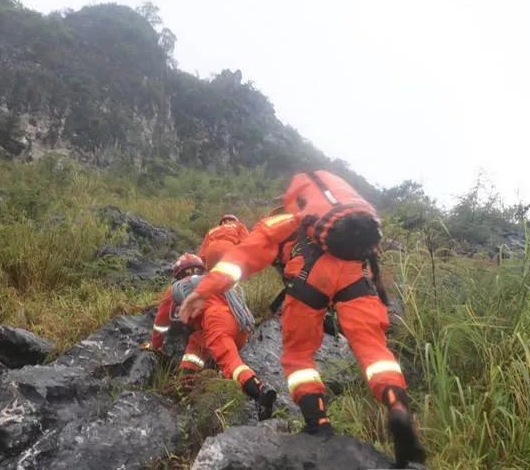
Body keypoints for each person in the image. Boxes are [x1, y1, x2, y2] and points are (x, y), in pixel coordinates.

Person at [180, 171, 426, 467]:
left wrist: (205, 289)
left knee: (299, 357)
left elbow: (242, 259)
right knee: (374, 351)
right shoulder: (342, 222)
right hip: (356, 276)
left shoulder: (286, 221)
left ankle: (317, 423)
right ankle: (396, 405)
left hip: (308, 280)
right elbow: (366, 266)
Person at [145, 253, 277, 421]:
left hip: (216, 323)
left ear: (178, 274)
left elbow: (160, 323)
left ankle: (259, 391)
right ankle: (187, 378)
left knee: (230, 363)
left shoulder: (177, 288)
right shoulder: (214, 280)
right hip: (240, 325)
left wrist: (155, 346)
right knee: (196, 341)